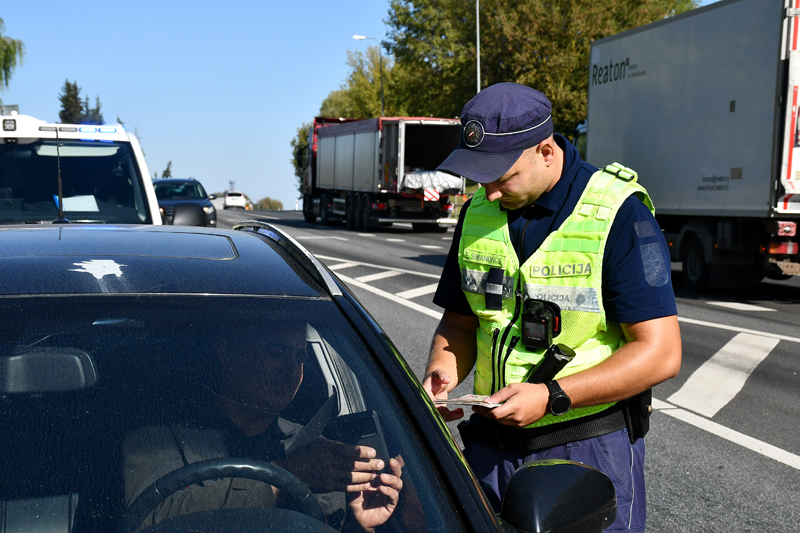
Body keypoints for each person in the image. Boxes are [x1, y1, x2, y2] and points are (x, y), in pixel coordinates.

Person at [423, 82, 681, 532]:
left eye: (502, 177)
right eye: (480, 178)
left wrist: (552, 396)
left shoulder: (618, 214)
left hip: (583, 449)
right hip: (489, 447)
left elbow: (660, 352)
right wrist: (440, 372)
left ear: (545, 152)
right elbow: (461, 323)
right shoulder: (478, 212)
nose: (490, 193)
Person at [123, 326, 403, 532]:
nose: (292, 371)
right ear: (226, 351)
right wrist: (290, 474)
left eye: (300, 358)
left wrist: (359, 525)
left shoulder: (314, 449)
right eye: (277, 352)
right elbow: (149, 522)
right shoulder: (157, 440)